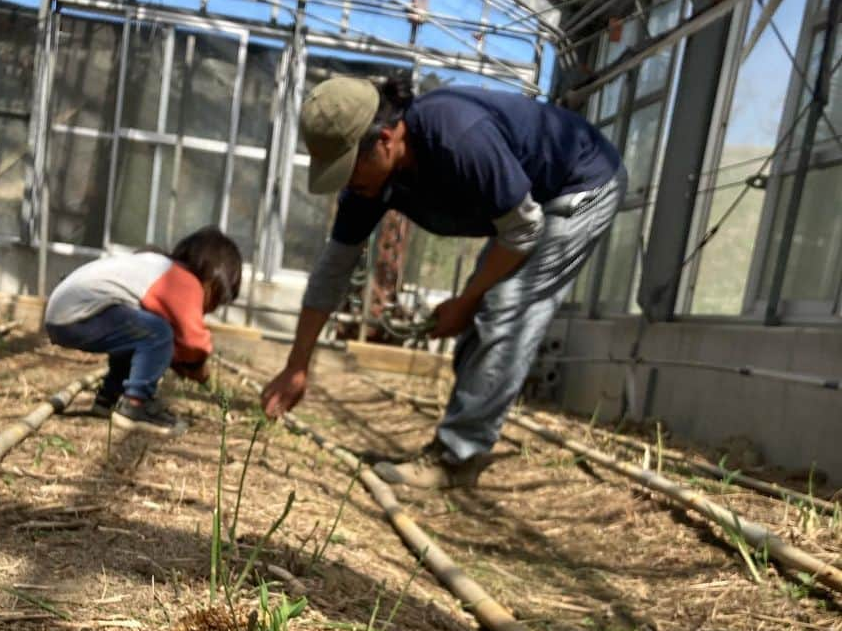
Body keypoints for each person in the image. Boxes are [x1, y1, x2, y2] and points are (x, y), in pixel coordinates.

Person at [260, 74, 626, 487]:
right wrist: (297, 365)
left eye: (349, 168)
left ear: (385, 140)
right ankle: (458, 445)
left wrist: (465, 301)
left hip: (580, 186)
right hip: (528, 209)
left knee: (506, 309)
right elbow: (334, 267)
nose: (347, 183)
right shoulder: (370, 185)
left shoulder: (457, 136)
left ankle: (458, 458)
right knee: (486, 308)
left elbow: (523, 229)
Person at [45, 226, 242, 435]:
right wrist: (198, 367)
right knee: (158, 332)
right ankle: (135, 405)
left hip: (64, 314)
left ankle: (110, 397)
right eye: (215, 302)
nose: (209, 310)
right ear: (211, 282)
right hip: (79, 314)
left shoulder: (158, 266)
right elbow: (193, 343)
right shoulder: (183, 281)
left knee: (137, 334)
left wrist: (178, 359)